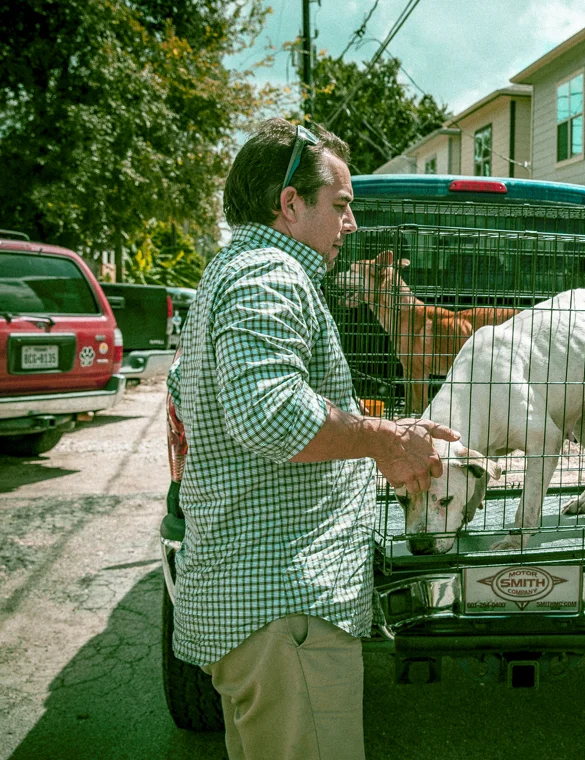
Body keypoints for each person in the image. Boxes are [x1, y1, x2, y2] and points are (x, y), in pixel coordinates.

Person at [167, 117, 459, 760]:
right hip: (285, 611)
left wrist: (371, 449)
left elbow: (249, 415)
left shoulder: (237, 270)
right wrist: (387, 439)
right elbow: (270, 414)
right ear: (290, 203)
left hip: (266, 614)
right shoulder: (266, 275)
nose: (350, 223)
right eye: (341, 204)